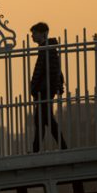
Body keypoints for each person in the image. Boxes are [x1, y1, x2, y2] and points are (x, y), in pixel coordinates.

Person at [29, 22, 68, 153]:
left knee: (45, 120)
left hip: (45, 91)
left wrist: (38, 87)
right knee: (40, 120)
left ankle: (62, 147)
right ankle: (37, 149)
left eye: (34, 33)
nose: (32, 36)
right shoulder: (46, 48)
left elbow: (51, 71)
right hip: (43, 90)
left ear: (43, 33)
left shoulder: (48, 49)